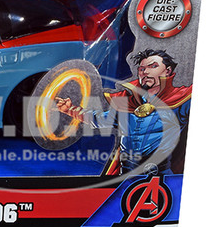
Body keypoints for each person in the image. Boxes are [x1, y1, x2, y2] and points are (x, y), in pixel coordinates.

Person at [56, 49, 191, 175]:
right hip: (126, 172)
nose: (145, 72)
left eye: (153, 66)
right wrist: (70, 109)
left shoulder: (180, 101)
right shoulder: (129, 104)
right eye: (142, 69)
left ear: (167, 71)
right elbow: (98, 119)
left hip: (159, 174)